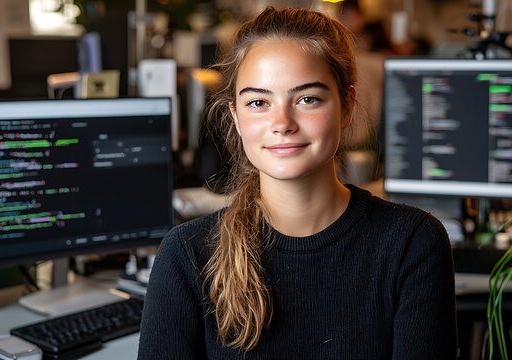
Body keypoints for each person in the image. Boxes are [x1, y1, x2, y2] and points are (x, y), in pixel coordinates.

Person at [138, 6, 457, 359]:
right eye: (258, 102)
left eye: (307, 99)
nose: (282, 122)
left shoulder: (411, 243)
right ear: (236, 115)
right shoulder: (186, 254)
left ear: (347, 105)